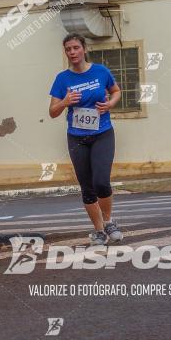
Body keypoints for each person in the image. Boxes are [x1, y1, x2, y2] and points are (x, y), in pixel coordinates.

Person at [49, 33, 123, 246]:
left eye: (75, 48)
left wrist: (110, 104)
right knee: (87, 187)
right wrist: (65, 101)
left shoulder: (101, 71)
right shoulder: (62, 79)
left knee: (101, 181)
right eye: (68, 49)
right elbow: (53, 111)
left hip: (103, 133)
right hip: (77, 138)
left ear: (83, 49)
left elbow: (116, 91)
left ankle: (109, 222)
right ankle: (99, 230)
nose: (72, 52)